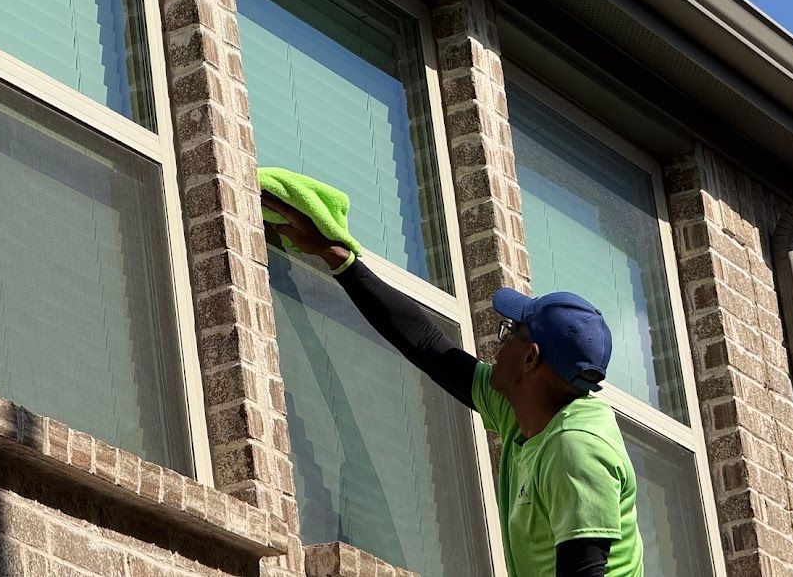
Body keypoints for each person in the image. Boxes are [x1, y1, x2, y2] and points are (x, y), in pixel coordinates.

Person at [262, 191, 644, 577]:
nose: (498, 344)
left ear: (531, 359)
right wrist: (340, 260)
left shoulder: (575, 447)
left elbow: (586, 571)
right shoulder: (524, 412)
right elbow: (428, 346)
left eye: (509, 332)